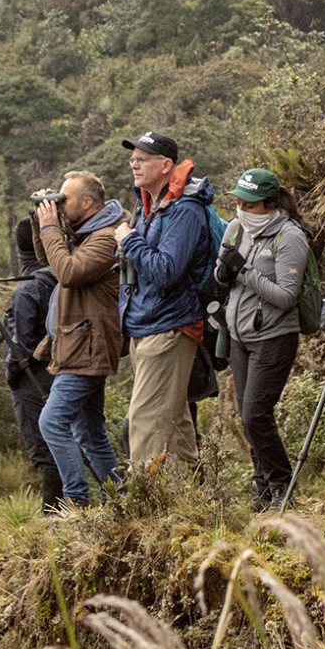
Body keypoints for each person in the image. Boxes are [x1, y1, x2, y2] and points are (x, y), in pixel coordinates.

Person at [116, 131, 218, 471]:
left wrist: (130, 241)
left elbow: (166, 271)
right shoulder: (150, 206)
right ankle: (192, 506)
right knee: (173, 428)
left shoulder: (184, 211)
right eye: (133, 158)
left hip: (169, 327)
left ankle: (144, 515)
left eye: (142, 158)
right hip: (147, 325)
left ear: (166, 165)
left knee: (144, 428)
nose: (134, 164)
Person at [215, 167, 309, 511]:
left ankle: (281, 486)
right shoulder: (236, 228)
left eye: (249, 204)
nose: (241, 208)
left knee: (255, 415)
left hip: (274, 335)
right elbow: (222, 269)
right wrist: (223, 271)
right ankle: (263, 490)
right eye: (238, 201)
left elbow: (286, 295)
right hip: (239, 335)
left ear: (269, 204)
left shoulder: (290, 236)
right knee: (247, 414)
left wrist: (243, 271)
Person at [32, 171, 127, 508]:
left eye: (65, 199)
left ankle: (76, 501)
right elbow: (49, 260)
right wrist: (41, 222)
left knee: (52, 423)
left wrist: (50, 228)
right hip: (78, 344)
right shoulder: (84, 233)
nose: (60, 204)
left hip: (87, 347)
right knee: (90, 431)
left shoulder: (105, 238)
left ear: (88, 203)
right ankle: (123, 499)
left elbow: (68, 273)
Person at [4, 216, 63, 513]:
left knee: (45, 453)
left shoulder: (27, 290)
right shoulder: (61, 277)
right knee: (62, 442)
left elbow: (19, 346)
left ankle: (53, 516)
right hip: (60, 371)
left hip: (31, 379)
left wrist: (12, 375)